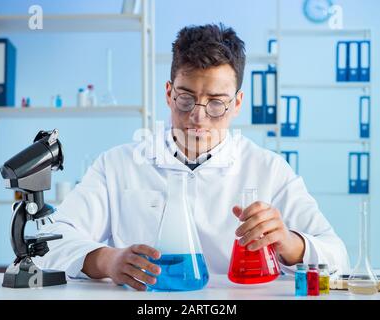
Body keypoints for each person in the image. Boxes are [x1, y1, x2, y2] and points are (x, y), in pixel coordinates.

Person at [35, 23, 350, 291]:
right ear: (168, 93)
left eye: (216, 103)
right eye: (186, 99)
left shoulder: (269, 170)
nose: (199, 117)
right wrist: (107, 260)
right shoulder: (117, 165)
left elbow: (338, 256)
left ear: (237, 103)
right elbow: (49, 243)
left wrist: (291, 244)